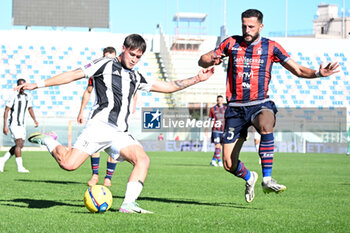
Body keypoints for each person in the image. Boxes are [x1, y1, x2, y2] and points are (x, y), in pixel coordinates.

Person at [18, 34, 215, 214]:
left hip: (119, 132)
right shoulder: (104, 64)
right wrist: (38, 84)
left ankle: (128, 204)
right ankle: (49, 140)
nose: (134, 59)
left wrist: (198, 78)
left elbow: (169, 87)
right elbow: (73, 74)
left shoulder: (136, 77)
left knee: (143, 160)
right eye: (132, 54)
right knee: (68, 164)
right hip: (98, 127)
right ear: (123, 48)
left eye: (138, 57)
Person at [198, 9, 339, 203]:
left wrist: (317, 73)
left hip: (259, 103)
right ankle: (250, 177)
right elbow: (202, 60)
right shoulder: (231, 43)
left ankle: (267, 178)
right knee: (229, 164)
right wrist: (209, 59)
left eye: (251, 27)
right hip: (235, 108)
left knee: (266, 123)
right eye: (244, 26)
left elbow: (297, 69)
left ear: (261, 26)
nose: (246, 30)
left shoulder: (271, 47)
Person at [77, 47, 118, 187]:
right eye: (106, 58)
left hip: (117, 115)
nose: (108, 61)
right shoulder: (97, 72)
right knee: (95, 145)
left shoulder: (122, 73)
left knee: (114, 145)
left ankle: (108, 177)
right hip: (99, 113)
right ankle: (95, 174)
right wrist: (81, 111)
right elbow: (88, 92)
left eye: (111, 58)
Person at [0, 79, 39, 173]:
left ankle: (2, 160)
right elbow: (6, 110)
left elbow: (30, 108)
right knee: (19, 143)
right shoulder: (13, 96)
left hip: (22, 124)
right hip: (14, 123)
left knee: (20, 145)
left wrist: (35, 120)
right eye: (20, 85)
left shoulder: (28, 96)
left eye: (23, 85)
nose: (22, 87)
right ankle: (20, 167)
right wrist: (4, 125)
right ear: (17, 85)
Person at [208, 95, 226, 167]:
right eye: (219, 100)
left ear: (223, 100)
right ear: (217, 100)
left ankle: (213, 160)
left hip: (223, 130)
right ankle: (219, 161)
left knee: (219, 147)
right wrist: (207, 130)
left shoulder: (226, 108)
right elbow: (209, 120)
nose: (220, 101)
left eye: (221, 100)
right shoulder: (212, 109)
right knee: (217, 145)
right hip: (215, 130)